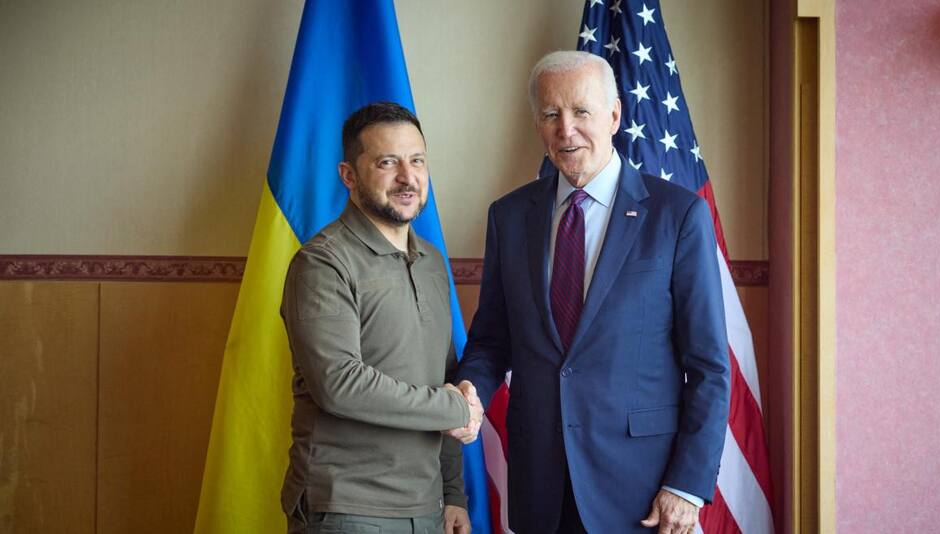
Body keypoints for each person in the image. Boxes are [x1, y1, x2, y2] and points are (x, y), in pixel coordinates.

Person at [456, 51, 730, 533]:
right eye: (550, 114)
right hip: (541, 483)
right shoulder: (509, 216)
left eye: (581, 111)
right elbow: (492, 340)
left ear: (614, 115)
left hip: (643, 491)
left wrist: (685, 486)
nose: (566, 130)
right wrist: (470, 390)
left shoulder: (677, 215)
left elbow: (708, 366)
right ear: (537, 124)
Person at [279, 101, 483, 534]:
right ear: (348, 175)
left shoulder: (430, 262)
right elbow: (339, 384)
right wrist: (453, 407)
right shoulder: (322, 263)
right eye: (388, 163)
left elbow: (443, 377)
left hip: (427, 507)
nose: (408, 178)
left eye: (417, 161)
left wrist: (452, 494)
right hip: (347, 508)